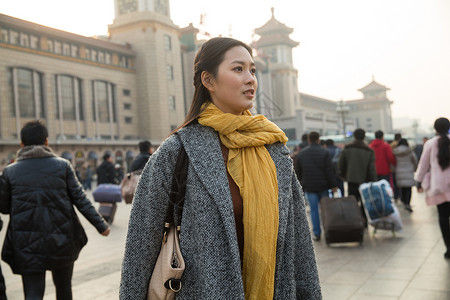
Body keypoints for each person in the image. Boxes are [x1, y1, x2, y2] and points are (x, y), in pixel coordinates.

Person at [120, 37, 321, 299]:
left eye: (252, 70)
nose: (250, 79)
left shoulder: (273, 148)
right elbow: (141, 245)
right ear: (209, 81)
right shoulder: (177, 151)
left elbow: (299, 243)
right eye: (238, 69)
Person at [0, 120, 110, 300]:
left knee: (33, 293)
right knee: (64, 289)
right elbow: (80, 198)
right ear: (46, 142)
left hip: (26, 242)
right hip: (62, 239)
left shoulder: (10, 172)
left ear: (21, 144)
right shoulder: (63, 165)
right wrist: (101, 226)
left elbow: (4, 208)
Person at [415, 117, 450, 259]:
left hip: (439, 187)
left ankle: (448, 247)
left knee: (443, 217)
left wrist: (418, 181)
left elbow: (423, 165)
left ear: (435, 129)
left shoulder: (430, 143)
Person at [296, 132, 338, 241]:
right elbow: (329, 171)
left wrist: (303, 182)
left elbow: (298, 172)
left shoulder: (301, 154)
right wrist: (333, 185)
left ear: (309, 140)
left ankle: (317, 233)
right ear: (318, 140)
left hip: (309, 187)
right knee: (325, 209)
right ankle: (329, 231)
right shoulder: (325, 152)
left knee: (314, 210)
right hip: (323, 186)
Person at [339, 128, 377, 227]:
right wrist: (373, 180)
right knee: (365, 203)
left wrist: (342, 175)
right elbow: (372, 168)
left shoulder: (347, 148)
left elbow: (341, 163)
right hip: (365, 181)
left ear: (354, 136)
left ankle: (354, 222)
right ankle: (364, 221)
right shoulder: (369, 150)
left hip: (351, 179)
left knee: (353, 202)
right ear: (364, 137)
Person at [393, 138, 418, 212]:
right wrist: (414, 168)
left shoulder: (395, 151)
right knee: (408, 189)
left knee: (402, 188)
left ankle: (403, 201)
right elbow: (415, 160)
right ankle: (407, 203)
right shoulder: (410, 151)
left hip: (398, 171)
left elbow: (393, 161)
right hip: (408, 171)